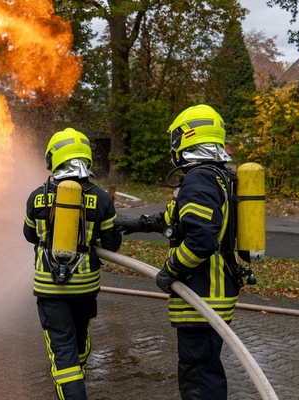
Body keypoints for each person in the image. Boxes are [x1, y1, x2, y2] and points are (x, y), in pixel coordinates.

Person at [118, 104, 240, 399]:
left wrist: (170, 269)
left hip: (201, 296)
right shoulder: (219, 176)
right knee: (205, 371)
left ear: (186, 139)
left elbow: (201, 240)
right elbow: (179, 220)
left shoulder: (199, 180)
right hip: (214, 293)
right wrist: (138, 224)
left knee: (197, 380)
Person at [23, 127, 122, 400]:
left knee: (62, 354)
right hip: (85, 287)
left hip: (49, 288)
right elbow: (112, 243)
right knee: (80, 344)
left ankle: (72, 390)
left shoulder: (37, 197)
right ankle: (75, 384)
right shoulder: (101, 198)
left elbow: (29, 234)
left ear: (53, 159)